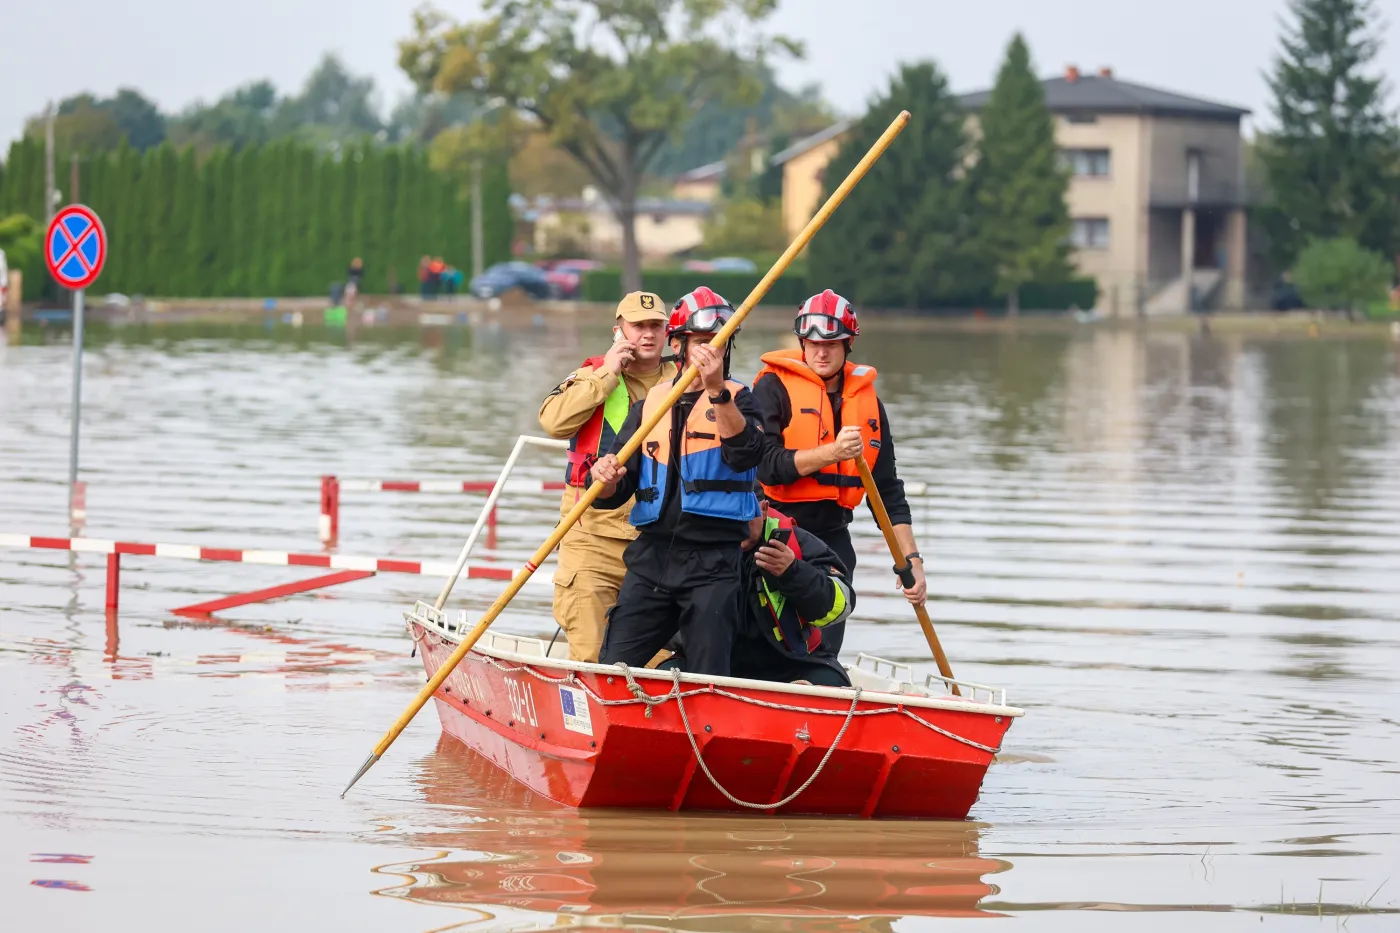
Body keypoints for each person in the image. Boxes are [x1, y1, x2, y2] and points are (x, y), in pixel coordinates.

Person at [590, 287, 766, 676]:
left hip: (714, 563)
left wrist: (717, 390)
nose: (711, 353)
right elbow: (613, 493)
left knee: (708, 676)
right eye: (703, 343)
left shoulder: (742, 400)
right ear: (678, 345)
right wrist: (602, 478)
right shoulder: (647, 407)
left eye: (719, 344)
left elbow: (747, 454)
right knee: (613, 670)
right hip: (652, 558)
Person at [753, 289, 924, 654]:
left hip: (832, 541)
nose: (821, 352)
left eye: (831, 342)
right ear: (801, 342)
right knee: (770, 644)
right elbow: (767, 467)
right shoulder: (772, 388)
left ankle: (820, 685)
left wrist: (910, 560)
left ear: (848, 344)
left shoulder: (869, 404)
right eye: (812, 342)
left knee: (823, 647)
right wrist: (833, 452)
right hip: (776, 534)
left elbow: (887, 492)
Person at [537, 292, 677, 662]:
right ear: (619, 332)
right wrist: (607, 374)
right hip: (592, 539)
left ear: (668, 332)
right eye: (638, 326)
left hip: (658, 545)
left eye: (655, 326)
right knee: (590, 654)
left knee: (661, 664)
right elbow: (553, 422)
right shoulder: (593, 374)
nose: (647, 335)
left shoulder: (687, 379)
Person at [668, 495, 854, 687]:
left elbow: (842, 604)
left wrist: (793, 572)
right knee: (661, 678)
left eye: (744, 515)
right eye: (728, 516)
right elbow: (655, 609)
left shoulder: (797, 543)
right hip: (712, 661)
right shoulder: (691, 546)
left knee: (834, 686)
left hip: (791, 662)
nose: (737, 525)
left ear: (764, 510)